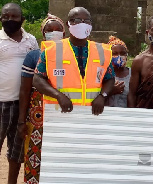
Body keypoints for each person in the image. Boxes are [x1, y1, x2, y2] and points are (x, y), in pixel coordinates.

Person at [33, 7, 115, 115]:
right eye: (77, 20)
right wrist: (58, 95)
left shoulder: (102, 51)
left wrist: (102, 96)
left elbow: (110, 78)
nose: (83, 24)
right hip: (59, 113)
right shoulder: (51, 51)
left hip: (91, 114)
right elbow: (37, 79)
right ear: (68, 24)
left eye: (87, 21)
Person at [17, 14, 65, 184]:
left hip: (63, 112)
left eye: (58, 29)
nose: (54, 33)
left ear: (64, 33)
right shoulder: (34, 56)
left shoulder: (72, 55)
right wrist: (22, 121)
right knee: (35, 154)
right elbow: (24, 90)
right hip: (38, 114)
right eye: (49, 30)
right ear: (43, 34)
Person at [0, 3, 39, 184]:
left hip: (22, 104)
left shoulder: (31, 41)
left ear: (22, 19)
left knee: (16, 152)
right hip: (1, 102)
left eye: (13, 17)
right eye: (5, 16)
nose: (9, 20)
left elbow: (36, 69)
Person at [106, 36, 131, 107]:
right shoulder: (103, 74)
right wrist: (111, 91)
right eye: (114, 53)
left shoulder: (132, 74)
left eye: (122, 53)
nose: (119, 56)